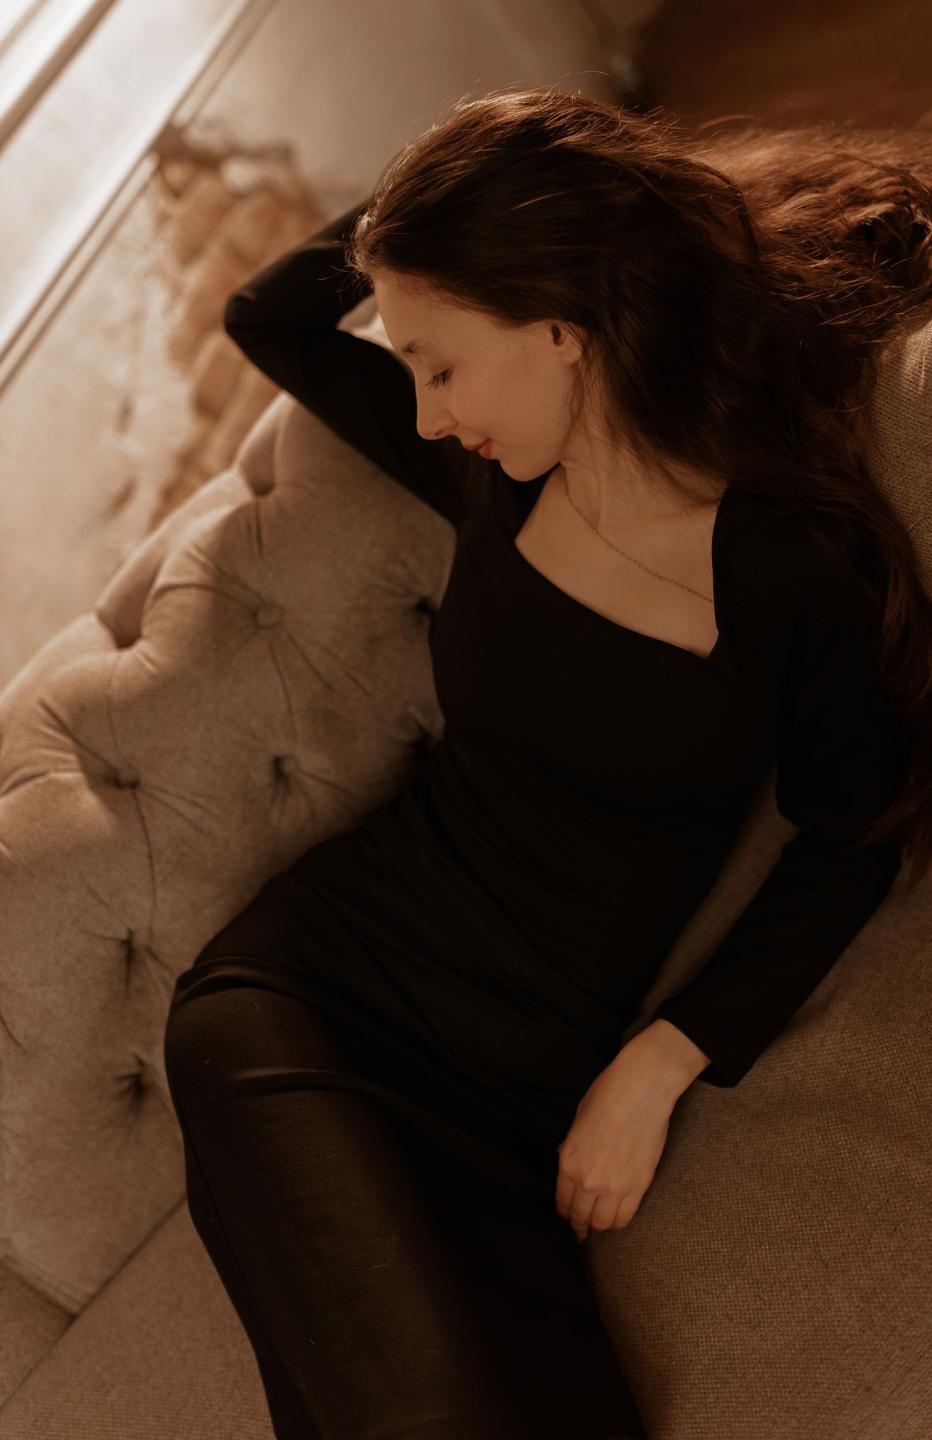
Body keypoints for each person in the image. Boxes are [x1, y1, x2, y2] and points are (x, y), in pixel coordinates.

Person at [163, 85, 929, 1440]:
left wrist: (659, 1063)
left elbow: (850, 836)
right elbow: (267, 317)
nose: (426, 412)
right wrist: (446, 204)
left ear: (563, 326)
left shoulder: (787, 565)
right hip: (315, 1002)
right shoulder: (489, 483)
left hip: (519, 1096)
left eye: (439, 363)